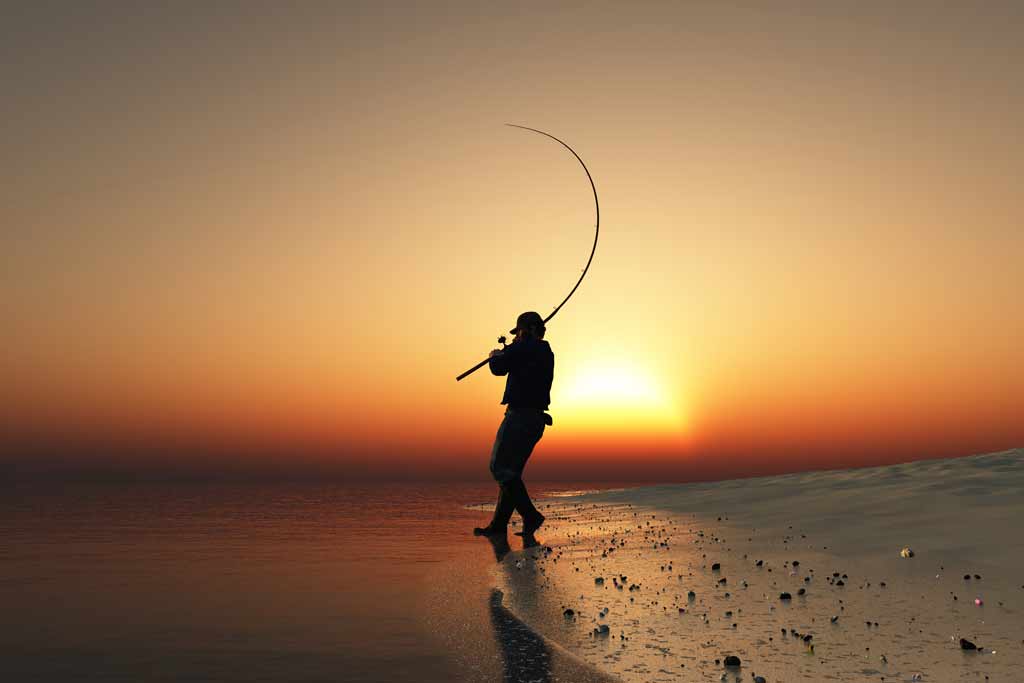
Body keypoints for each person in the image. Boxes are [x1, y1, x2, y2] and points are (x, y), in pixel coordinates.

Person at [474, 311, 554, 539]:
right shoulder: (544, 351)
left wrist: (495, 354)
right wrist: (510, 350)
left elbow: (498, 368)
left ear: (526, 330)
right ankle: (499, 526)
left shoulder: (528, 346)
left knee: (499, 467)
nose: (516, 337)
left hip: (520, 417)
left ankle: (530, 516)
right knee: (511, 473)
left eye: (519, 332)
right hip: (534, 420)